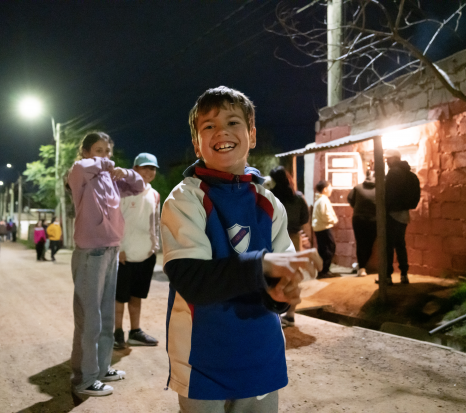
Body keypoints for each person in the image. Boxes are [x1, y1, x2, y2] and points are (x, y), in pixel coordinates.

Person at [161, 86, 322, 412]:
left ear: (251, 134)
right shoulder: (184, 199)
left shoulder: (269, 203)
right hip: (202, 359)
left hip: (261, 354)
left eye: (233, 122)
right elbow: (192, 279)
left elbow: (280, 283)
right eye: (208, 126)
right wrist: (263, 266)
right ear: (197, 144)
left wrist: (280, 293)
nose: (221, 131)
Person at [67, 131, 145, 397]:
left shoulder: (110, 179)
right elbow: (81, 167)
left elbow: (139, 186)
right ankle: (84, 378)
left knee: (106, 316)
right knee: (89, 318)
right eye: (98, 150)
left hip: (111, 250)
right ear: (87, 152)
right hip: (91, 252)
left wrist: (126, 173)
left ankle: (101, 368)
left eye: (108, 151)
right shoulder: (80, 175)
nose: (105, 156)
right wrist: (106, 165)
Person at [114, 153, 161, 350]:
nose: (149, 172)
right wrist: (119, 249)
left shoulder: (155, 194)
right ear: (135, 168)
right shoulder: (123, 190)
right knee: (119, 297)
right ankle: (117, 333)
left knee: (136, 296)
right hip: (124, 255)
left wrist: (155, 246)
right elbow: (114, 220)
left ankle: (135, 332)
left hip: (146, 254)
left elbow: (155, 221)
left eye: (153, 168)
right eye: (145, 167)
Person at [269, 165, 311, 328]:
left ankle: (274, 314)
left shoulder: (270, 197)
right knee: (292, 275)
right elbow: (304, 219)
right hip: (293, 239)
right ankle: (291, 314)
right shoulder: (298, 197)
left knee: (273, 276)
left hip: (273, 238)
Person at [381, 148, 420, 285]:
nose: (386, 161)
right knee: (400, 244)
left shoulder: (392, 173)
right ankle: (404, 274)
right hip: (404, 214)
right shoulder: (410, 175)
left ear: (394, 159)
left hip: (391, 214)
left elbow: (387, 194)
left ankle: (387, 277)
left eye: (388, 159)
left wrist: (385, 208)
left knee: (388, 246)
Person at [347, 171, 376, 277]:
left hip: (358, 218)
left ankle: (362, 268)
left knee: (360, 243)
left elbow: (350, 199)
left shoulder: (357, 187)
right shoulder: (380, 188)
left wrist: (358, 207)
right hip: (374, 219)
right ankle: (363, 265)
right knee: (370, 243)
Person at [312, 180, 338, 278]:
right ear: (325, 189)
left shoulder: (321, 199)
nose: (332, 189)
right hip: (324, 227)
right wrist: (333, 220)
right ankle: (324, 271)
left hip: (321, 227)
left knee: (324, 249)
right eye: (330, 187)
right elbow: (325, 215)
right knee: (329, 248)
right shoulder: (323, 200)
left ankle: (323, 271)